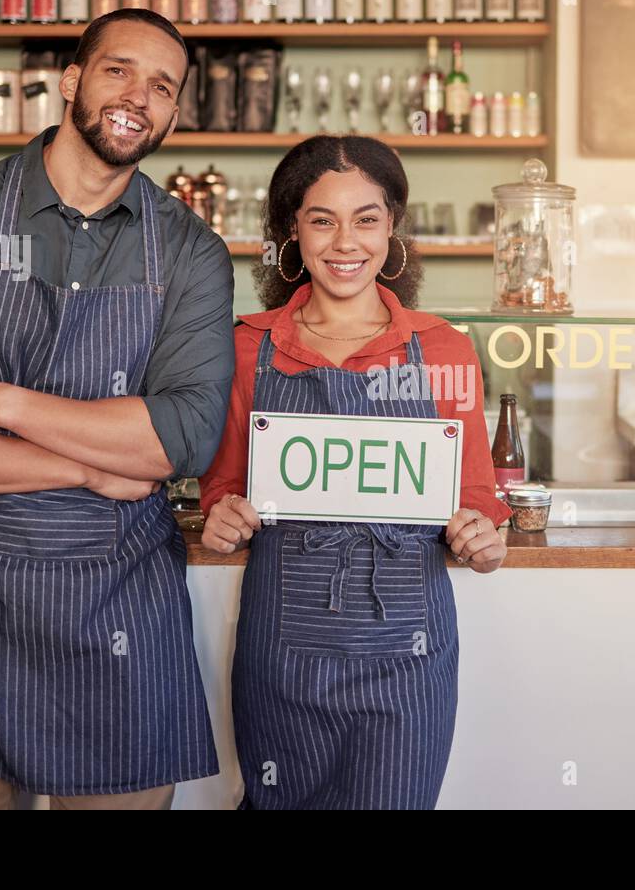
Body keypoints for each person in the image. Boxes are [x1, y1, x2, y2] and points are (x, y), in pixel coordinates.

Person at [0, 9, 235, 810]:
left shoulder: (191, 251)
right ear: (71, 80)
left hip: (119, 608)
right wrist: (89, 467)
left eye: (162, 86)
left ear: (173, 113)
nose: (139, 96)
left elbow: (183, 437)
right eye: (118, 70)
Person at [198, 135, 510, 809]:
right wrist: (222, 519)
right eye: (322, 219)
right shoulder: (245, 348)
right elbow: (224, 490)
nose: (346, 242)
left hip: (409, 658)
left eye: (366, 219)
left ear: (392, 228)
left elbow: (476, 507)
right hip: (281, 657)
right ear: (292, 230)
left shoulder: (445, 349)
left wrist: (482, 540)